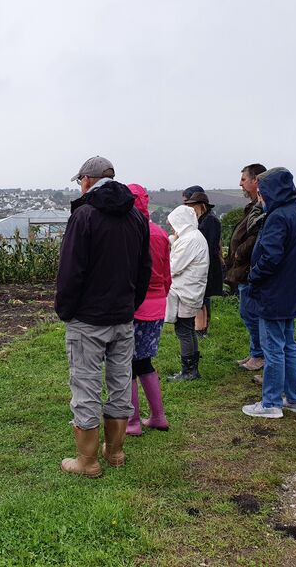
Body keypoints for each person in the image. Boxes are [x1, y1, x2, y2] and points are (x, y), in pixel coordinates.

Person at [55, 156, 151, 477]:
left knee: (85, 385)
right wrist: (130, 305)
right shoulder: (136, 217)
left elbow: (71, 272)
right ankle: (116, 452)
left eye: (80, 180)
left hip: (87, 319)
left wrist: (65, 310)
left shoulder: (84, 217)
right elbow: (143, 270)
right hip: (123, 317)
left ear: (86, 180)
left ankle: (87, 461)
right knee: (120, 383)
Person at [241, 168, 296, 418]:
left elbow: (271, 257)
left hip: (273, 294)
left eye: (262, 190)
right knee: (288, 346)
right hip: (290, 293)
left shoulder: (278, 217)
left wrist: (254, 276)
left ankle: (270, 403)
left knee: (273, 349)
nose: (260, 196)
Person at [125, 184, 171, 436]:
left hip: (135, 306)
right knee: (144, 361)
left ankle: (132, 421)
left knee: (126, 364)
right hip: (157, 305)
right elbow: (166, 275)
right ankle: (158, 415)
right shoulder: (160, 233)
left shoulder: (129, 233)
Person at [225, 164, 268, 373]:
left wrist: (239, 251)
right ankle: (255, 352)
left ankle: (259, 355)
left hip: (250, 269)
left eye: (243, 179)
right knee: (247, 312)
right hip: (244, 269)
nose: (240, 183)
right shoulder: (254, 205)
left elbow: (255, 236)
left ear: (255, 181)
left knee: (251, 313)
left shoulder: (261, 207)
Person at [165, 205, 209, 382]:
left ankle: (189, 371)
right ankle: (191, 369)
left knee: (184, 330)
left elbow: (173, 266)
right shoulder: (193, 236)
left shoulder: (190, 240)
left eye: (173, 224)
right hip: (190, 290)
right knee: (188, 330)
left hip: (186, 292)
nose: (172, 229)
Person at [183, 190, 223, 335]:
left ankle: (201, 328)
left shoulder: (209, 221)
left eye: (193, 205)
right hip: (205, 264)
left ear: (201, 206)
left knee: (201, 299)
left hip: (208, 265)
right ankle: (201, 328)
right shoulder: (203, 219)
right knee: (202, 298)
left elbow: (210, 246)